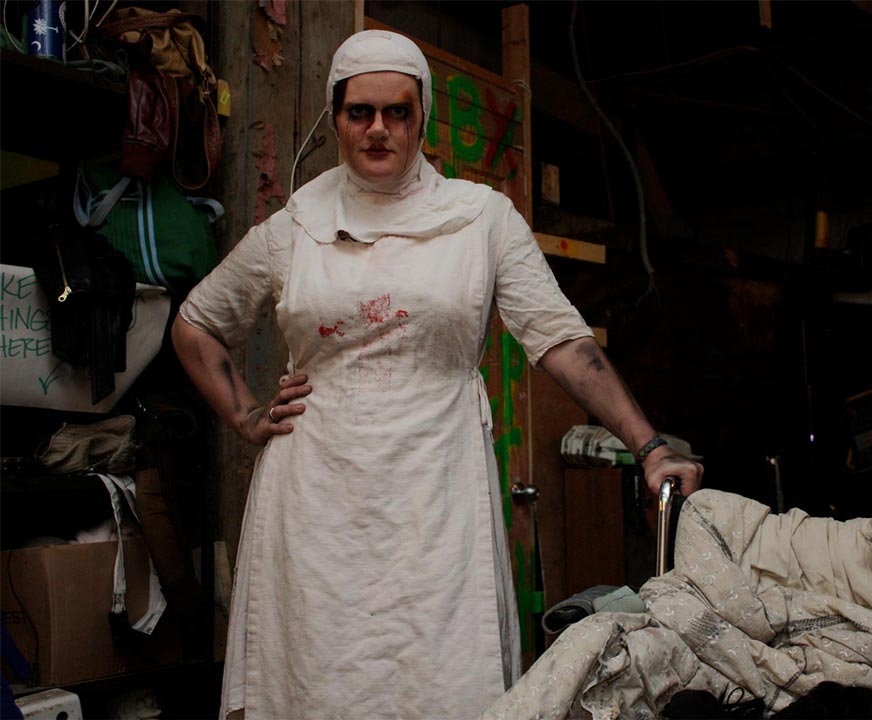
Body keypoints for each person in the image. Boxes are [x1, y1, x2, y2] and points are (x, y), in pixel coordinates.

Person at [172, 29, 703, 720]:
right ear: (336, 117)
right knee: (316, 678)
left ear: (421, 117)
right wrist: (246, 417)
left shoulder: (480, 220)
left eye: (398, 112)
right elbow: (196, 323)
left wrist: (649, 446)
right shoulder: (295, 228)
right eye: (359, 112)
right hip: (315, 504)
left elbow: (563, 342)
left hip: (438, 494)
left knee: (444, 677)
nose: (378, 129)